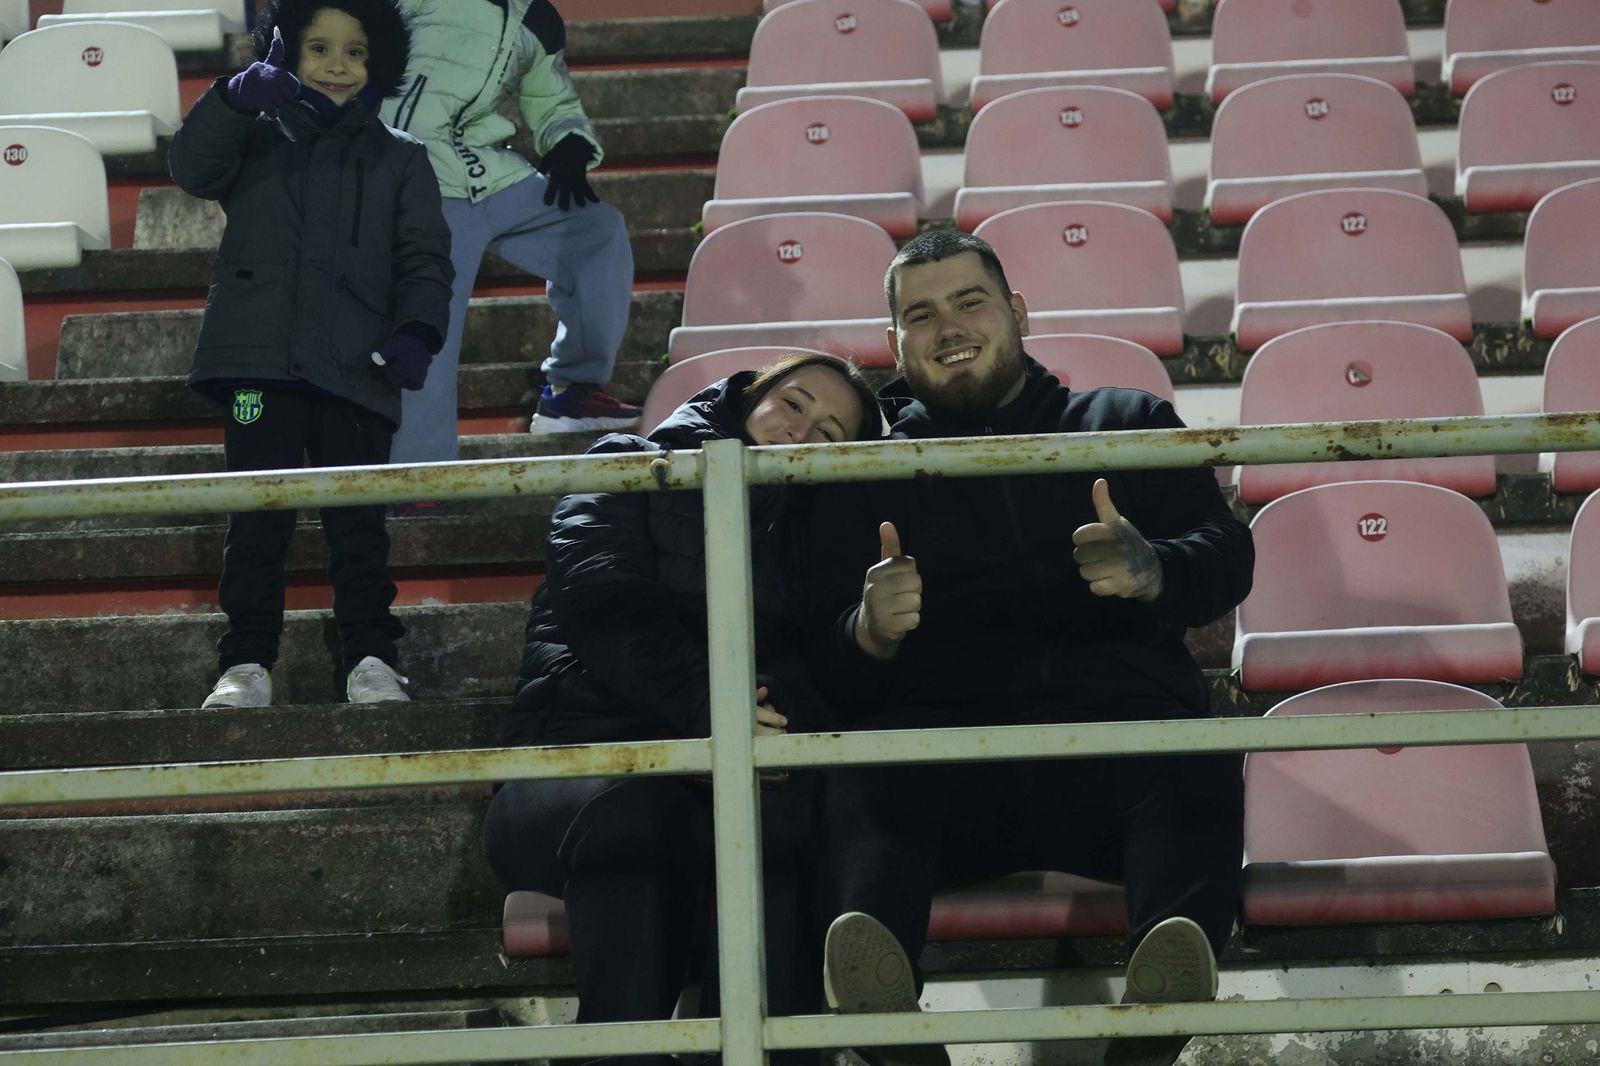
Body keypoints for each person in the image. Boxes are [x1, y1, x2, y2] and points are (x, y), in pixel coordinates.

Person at [806, 231, 1255, 1066]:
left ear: (1016, 312)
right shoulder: (864, 470)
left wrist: (1155, 568)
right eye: (920, 315)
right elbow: (818, 666)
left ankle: (1154, 1019)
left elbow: (1227, 555)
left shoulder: (1124, 421)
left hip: (1114, 773)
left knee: (1194, 750)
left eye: (969, 302)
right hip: (949, 787)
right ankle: (888, 1026)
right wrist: (865, 631)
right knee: (864, 764)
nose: (948, 328)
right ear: (896, 344)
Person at [481, 353, 882, 1066]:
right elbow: (603, 603)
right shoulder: (627, 461)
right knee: (639, 820)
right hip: (578, 764)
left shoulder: (816, 533)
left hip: (724, 782)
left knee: (794, 815)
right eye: (794, 405)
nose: (801, 434)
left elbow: (815, 666)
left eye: (829, 434)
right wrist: (713, 706)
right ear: (752, 394)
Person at [172, 0, 453, 709]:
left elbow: (425, 259)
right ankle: (245, 664)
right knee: (255, 514)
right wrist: (234, 98)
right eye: (319, 47)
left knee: (357, 523)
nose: (336, 65)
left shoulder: (403, 158)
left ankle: (370, 658)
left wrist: (417, 330)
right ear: (284, 53)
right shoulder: (253, 137)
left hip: (358, 373)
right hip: (250, 376)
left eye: (355, 52)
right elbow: (191, 165)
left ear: (376, 63)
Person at [380, 0, 639, 463]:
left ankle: (570, 390)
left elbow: (553, 102)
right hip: (415, 176)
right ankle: (417, 472)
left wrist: (569, 143)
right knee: (428, 320)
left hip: (489, 172)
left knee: (597, 232)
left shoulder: (538, 18)